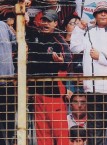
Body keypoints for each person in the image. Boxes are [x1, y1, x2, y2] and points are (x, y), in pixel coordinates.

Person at [70, 1, 107, 145]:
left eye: (106, 12)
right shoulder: (89, 31)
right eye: (100, 12)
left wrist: (100, 57)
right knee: (95, 132)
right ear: (95, 15)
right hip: (92, 90)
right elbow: (75, 48)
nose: (103, 14)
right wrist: (79, 28)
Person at [27, 9, 72, 145]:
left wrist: (61, 62)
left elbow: (70, 60)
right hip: (37, 93)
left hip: (54, 94)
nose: (45, 23)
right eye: (44, 20)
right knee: (42, 134)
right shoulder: (34, 35)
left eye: (49, 21)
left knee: (60, 133)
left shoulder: (58, 40)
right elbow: (23, 24)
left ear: (55, 23)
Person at [0, 21, 17, 145]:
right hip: (6, 79)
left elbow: (16, 43)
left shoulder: (3, 25)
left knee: (9, 121)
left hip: (7, 81)